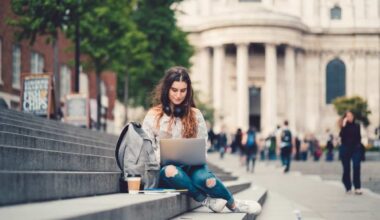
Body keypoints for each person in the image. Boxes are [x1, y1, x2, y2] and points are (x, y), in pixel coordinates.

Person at [142, 66, 261, 214]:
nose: (178, 95)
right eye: (174, 90)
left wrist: (194, 156)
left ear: (188, 91)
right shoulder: (153, 115)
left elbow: (203, 145)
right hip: (165, 169)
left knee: (206, 180)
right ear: (167, 89)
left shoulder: (196, 115)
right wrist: (164, 156)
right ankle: (206, 200)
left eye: (183, 90)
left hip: (193, 167)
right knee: (172, 172)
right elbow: (146, 150)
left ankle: (233, 204)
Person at [339, 111, 363, 195]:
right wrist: (344, 125)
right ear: (345, 117)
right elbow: (341, 136)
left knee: (356, 166)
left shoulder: (357, 126)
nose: (350, 117)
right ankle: (348, 187)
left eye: (351, 115)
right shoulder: (343, 126)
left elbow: (359, 137)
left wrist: (360, 148)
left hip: (355, 149)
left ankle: (357, 187)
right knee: (346, 169)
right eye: (348, 116)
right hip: (345, 149)